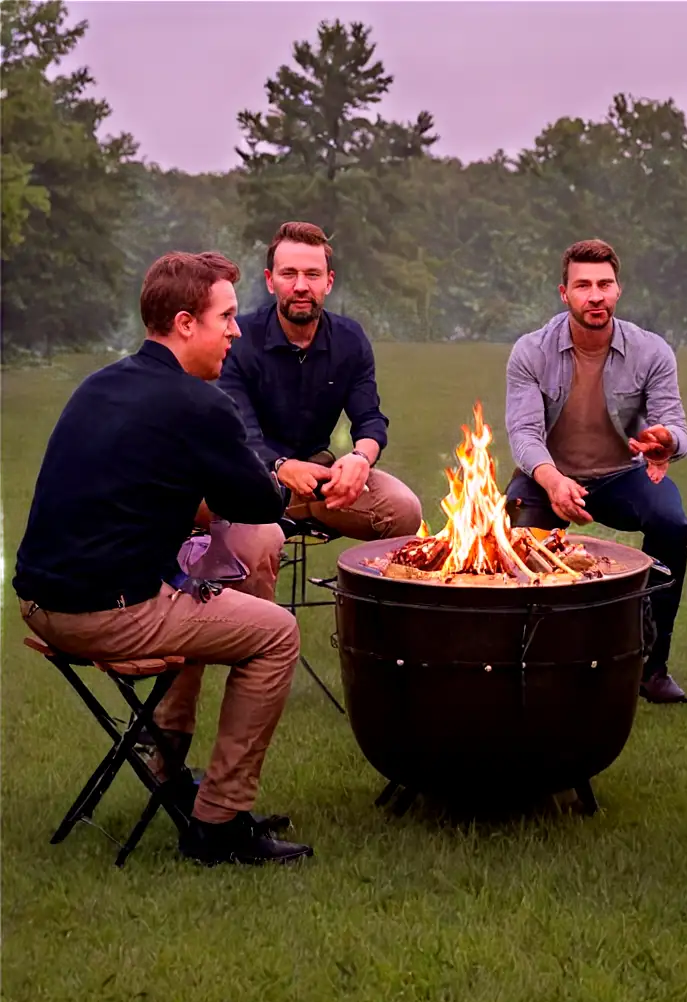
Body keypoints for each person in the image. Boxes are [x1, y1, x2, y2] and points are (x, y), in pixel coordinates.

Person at [13, 251, 313, 867]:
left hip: (40, 602)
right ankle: (219, 824)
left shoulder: (103, 383)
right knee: (277, 633)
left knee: (203, 585)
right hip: (107, 612)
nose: (236, 329)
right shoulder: (197, 404)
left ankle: (170, 769)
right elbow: (257, 501)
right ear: (184, 323)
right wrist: (296, 488)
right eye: (225, 317)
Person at [505, 239, 687, 704]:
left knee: (672, 523)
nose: (595, 295)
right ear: (563, 293)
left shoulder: (651, 351)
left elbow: (677, 428)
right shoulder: (531, 351)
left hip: (620, 476)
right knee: (518, 534)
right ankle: (529, 661)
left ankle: (652, 665)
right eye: (583, 285)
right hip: (548, 473)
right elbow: (525, 434)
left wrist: (665, 442)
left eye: (604, 285)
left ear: (618, 290)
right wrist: (553, 481)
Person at [217, 221, 422, 545]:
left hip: (319, 478)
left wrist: (359, 459)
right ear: (271, 282)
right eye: (289, 274)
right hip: (252, 477)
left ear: (328, 282)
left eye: (312, 275)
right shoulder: (240, 340)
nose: (301, 286)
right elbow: (239, 434)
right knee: (253, 539)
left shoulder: (349, 340)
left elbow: (370, 420)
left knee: (404, 510)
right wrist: (282, 466)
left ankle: (367, 594)